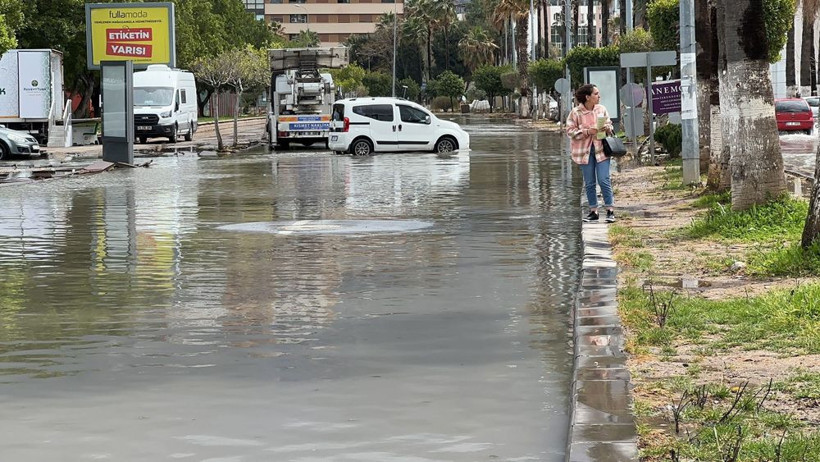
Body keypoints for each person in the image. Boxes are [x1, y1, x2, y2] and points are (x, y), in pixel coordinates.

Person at [566, 84, 616, 223]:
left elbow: (610, 125)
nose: (599, 96)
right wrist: (588, 131)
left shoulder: (602, 109)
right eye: (596, 94)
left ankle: (610, 210)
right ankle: (593, 211)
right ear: (587, 97)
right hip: (584, 152)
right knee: (589, 182)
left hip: (602, 150)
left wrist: (607, 128)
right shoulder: (575, 113)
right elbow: (570, 131)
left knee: (604, 179)